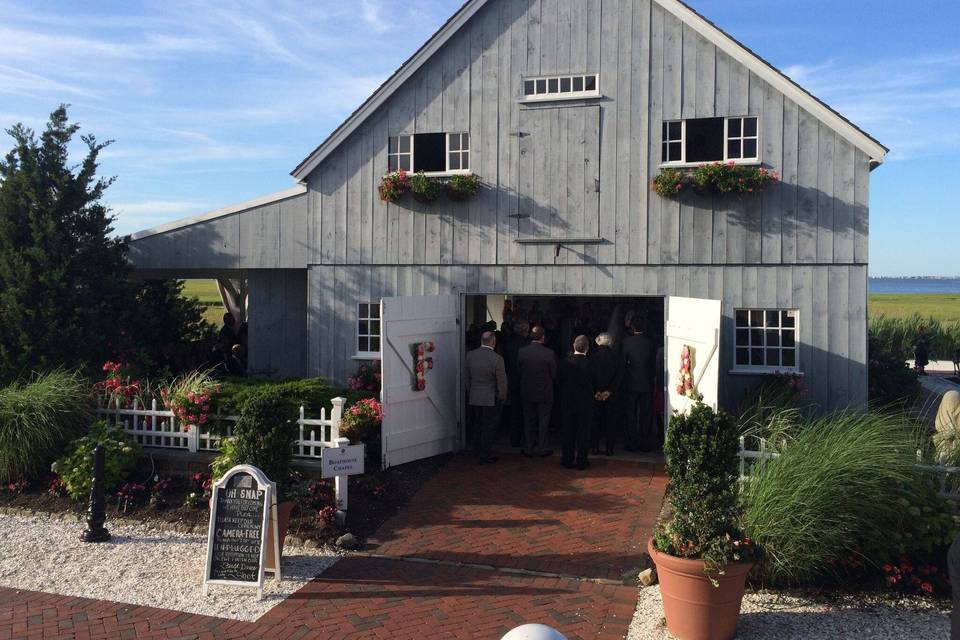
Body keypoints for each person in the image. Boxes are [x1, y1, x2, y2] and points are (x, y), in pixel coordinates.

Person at [465, 331, 508, 464]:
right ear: (493, 342)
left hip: (475, 395)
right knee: (488, 427)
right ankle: (485, 454)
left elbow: (467, 377)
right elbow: (502, 381)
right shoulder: (497, 359)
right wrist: (503, 396)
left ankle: (476, 450)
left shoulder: (470, 355)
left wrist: (470, 390)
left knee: (477, 424)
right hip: (490, 397)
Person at [518, 325, 558, 458]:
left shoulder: (522, 352)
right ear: (543, 337)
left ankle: (528, 447)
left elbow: (519, 371)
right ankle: (542, 448)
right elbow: (554, 374)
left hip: (527, 391)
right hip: (544, 392)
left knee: (528, 421)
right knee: (543, 422)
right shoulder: (549, 353)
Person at [559, 335, 595, 470]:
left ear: (574, 346)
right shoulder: (591, 363)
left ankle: (567, 459)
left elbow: (558, 380)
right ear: (587, 348)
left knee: (568, 430)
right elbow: (595, 381)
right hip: (585, 402)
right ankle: (582, 461)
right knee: (583, 432)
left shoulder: (564, 362)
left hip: (567, 400)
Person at [622, 318, 656, 451]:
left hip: (630, 383)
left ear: (632, 328)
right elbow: (652, 364)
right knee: (645, 414)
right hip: (646, 383)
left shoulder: (626, 343)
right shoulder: (650, 343)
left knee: (630, 414)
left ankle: (632, 442)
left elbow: (623, 364)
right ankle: (644, 443)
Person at [591, 333, 624, 456]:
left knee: (596, 421)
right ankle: (609, 448)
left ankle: (595, 447)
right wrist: (609, 391)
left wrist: (596, 391)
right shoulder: (616, 356)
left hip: (596, 395)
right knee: (611, 422)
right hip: (611, 395)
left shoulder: (592, 356)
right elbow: (619, 377)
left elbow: (590, 375)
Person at [503, 320, 531, 447]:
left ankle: (514, 439)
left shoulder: (508, 343)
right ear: (525, 331)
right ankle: (527, 440)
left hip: (512, 379)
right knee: (528, 411)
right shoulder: (528, 344)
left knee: (515, 411)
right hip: (526, 380)